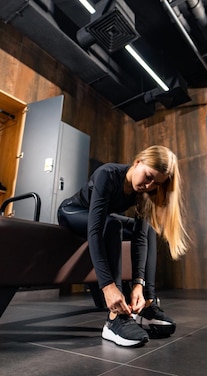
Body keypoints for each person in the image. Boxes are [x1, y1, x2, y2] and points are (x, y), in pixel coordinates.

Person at [57, 145, 190, 347]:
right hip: (72, 212)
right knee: (113, 225)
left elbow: (139, 239)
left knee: (148, 231)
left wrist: (139, 285)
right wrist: (108, 288)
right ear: (138, 162)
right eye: (148, 176)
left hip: (102, 219)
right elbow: (95, 231)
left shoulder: (145, 194)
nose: (149, 185)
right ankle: (114, 318)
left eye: (156, 183)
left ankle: (147, 304)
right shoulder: (107, 174)